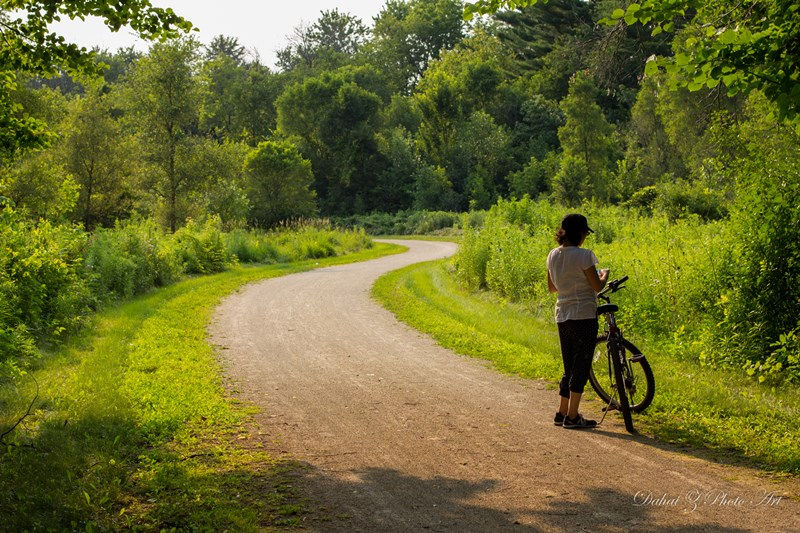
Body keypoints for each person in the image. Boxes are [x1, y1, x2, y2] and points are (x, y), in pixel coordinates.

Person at [546, 213, 608, 429]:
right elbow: (597, 287)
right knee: (581, 365)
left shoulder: (552, 255)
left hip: (562, 314)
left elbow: (552, 288)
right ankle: (572, 417)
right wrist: (604, 276)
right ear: (580, 233)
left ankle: (562, 411)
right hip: (583, 314)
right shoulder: (585, 256)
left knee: (569, 364)